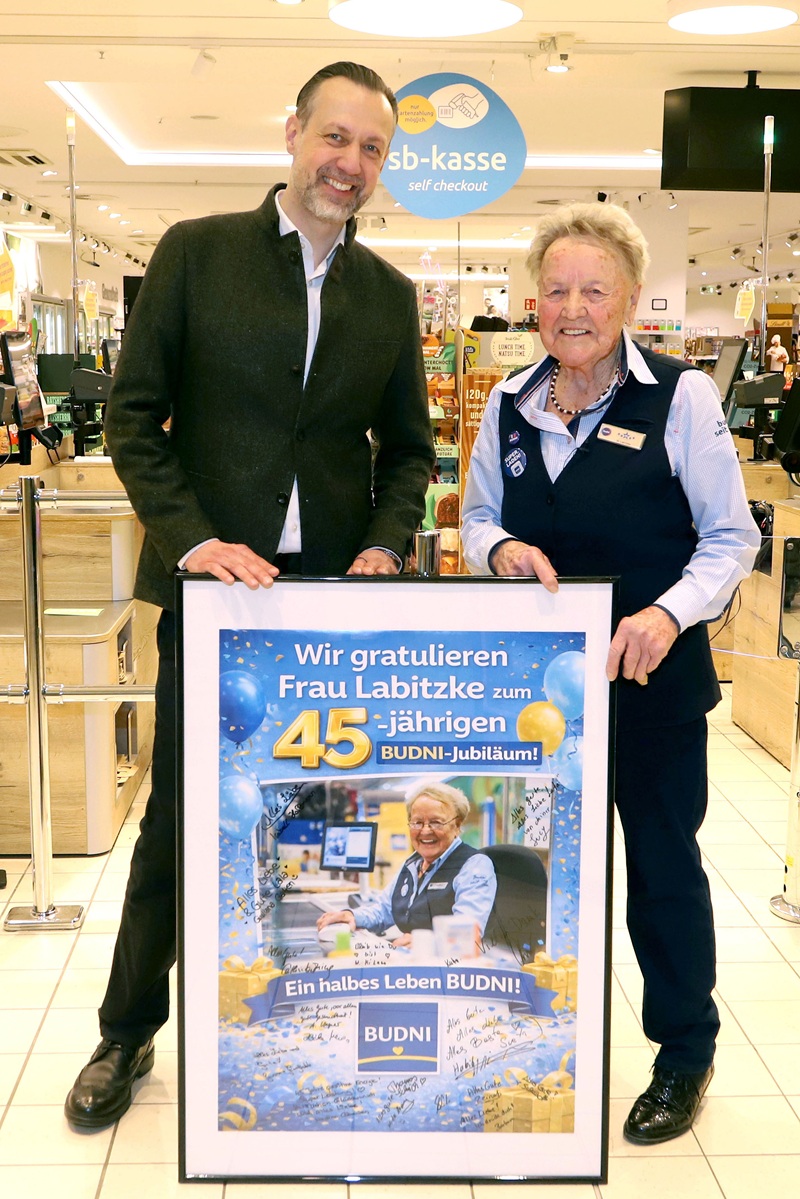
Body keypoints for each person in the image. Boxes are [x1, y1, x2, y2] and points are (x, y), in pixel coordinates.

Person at [65, 61, 435, 1131]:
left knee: (321, 827)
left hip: (328, 609)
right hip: (214, 601)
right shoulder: (196, 254)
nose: (348, 164)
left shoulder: (388, 297)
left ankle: (293, 1024)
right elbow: (133, 419)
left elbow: (407, 453)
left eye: (370, 149)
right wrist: (194, 542)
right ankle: (126, 1029)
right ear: (291, 133)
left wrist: (381, 543)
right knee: (180, 826)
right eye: (334, 137)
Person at [461, 201, 760, 1146]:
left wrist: (668, 611)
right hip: (539, 700)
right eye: (555, 289)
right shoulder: (507, 405)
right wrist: (500, 545)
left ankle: (683, 1051)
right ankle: (535, 1042)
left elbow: (730, 537)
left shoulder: (682, 398)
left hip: (655, 686)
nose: (573, 307)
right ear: (531, 301)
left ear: (630, 296)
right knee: (528, 872)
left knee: (663, 871)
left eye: (595, 288)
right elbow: (472, 519)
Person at [317, 781, 497, 947]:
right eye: (417, 822)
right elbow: (383, 910)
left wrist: (425, 942)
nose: (425, 831)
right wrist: (351, 915)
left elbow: (468, 933)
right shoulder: (412, 863)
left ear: (457, 825)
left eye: (436, 822)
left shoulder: (474, 866)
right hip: (413, 962)